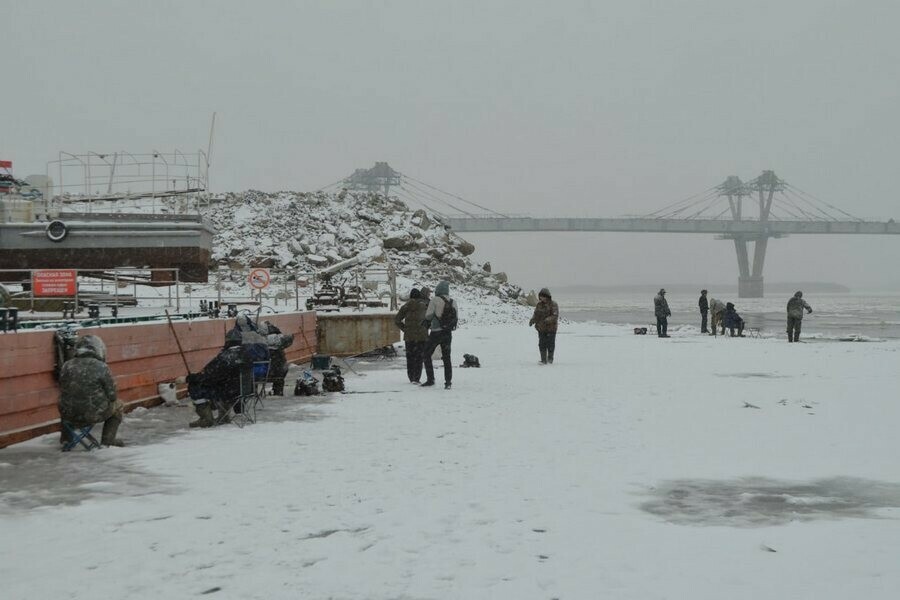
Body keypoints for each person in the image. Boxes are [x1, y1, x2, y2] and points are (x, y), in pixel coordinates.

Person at [58, 335, 124, 447]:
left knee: (67, 402)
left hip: (68, 414)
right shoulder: (101, 366)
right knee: (119, 405)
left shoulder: (66, 365)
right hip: (93, 415)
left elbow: (63, 388)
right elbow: (112, 396)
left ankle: (66, 439)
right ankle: (108, 440)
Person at [422, 280, 457, 389]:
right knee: (447, 358)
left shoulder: (435, 300)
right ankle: (448, 382)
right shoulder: (453, 301)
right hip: (447, 333)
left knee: (426, 354)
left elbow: (428, 315)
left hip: (436, 332)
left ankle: (430, 379)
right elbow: (456, 317)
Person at [394, 288, 429, 383]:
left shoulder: (406, 306)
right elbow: (430, 319)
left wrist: (405, 329)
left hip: (409, 336)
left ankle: (411, 377)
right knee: (419, 357)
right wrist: (426, 328)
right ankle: (417, 378)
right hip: (422, 336)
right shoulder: (425, 306)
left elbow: (397, 320)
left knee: (410, 357)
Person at [259, 320, 293, 395]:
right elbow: (289, 339)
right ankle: (278, 391)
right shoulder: (279, 343)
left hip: (261, 373)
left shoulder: (259, 342)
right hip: (278, 372)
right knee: (281, 370)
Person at [529, 287, 559, 364]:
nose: (542, 298)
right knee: (541, 344)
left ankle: (550, 359)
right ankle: (543, 360)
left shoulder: (553, 304)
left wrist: (547, 320)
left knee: (550, 344)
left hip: (551, 329)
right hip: (541, 328)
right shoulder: (539, 304)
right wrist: (532, 320)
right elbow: (536, 314)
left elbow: (555, 316)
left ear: (547, 296)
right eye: (541, 296)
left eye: (543, 296)